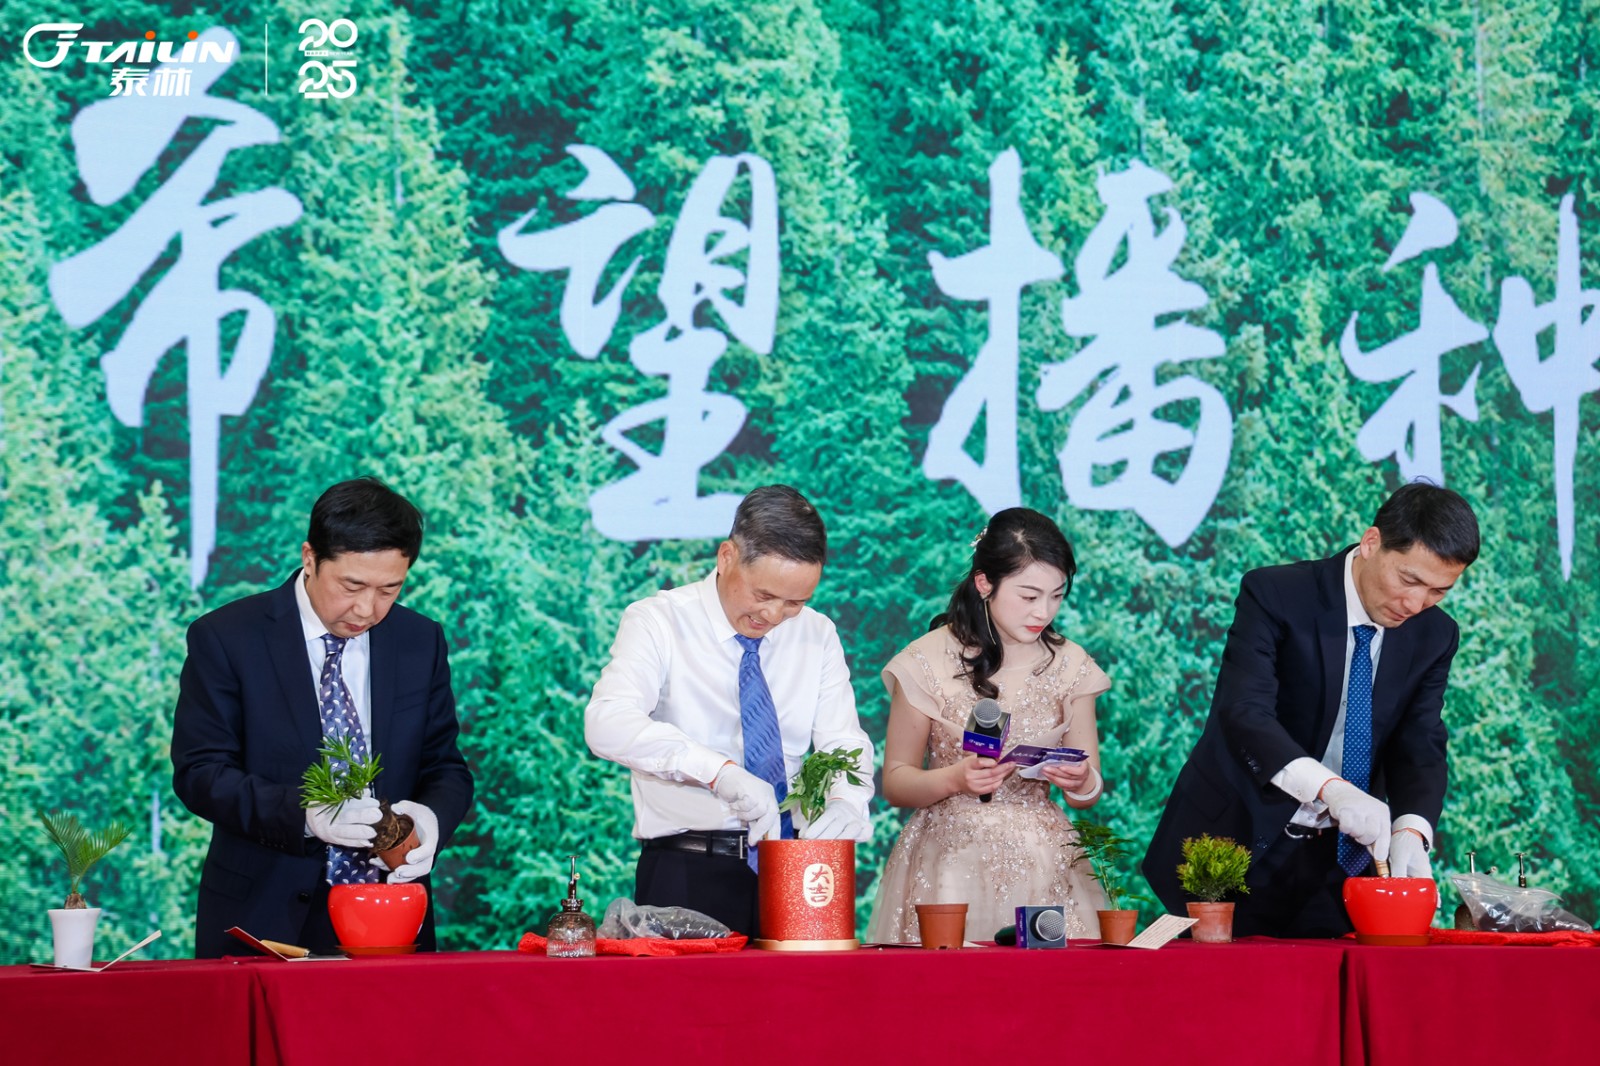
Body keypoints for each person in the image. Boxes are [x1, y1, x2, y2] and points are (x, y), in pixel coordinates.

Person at [1142, 482, 1480, 938]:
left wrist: (1411, 830)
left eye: (1439, 591)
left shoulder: (1435, 634)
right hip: (1237, 839)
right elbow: (1244, 711)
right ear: (1371, 542)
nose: (1416, 604)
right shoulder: (1277, 593)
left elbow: (1420, 741)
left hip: (1342, 863)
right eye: (1409, 580)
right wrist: (1331, 790)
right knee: (1213, 978)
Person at [171, 477, 474, 957]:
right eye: (352, 586)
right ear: (310, 558)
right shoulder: (228, 637)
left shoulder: (419, 640)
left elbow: (445, 766)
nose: (367, 609)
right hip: (263, 914)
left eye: (389, 589)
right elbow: (201, 773)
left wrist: (432, 819)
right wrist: (306, 816)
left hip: (391, 914)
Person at [585, 485, 874, 937]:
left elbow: (844, 740)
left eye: (795, 602)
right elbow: (608, 722)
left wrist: (845, 800)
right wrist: (719, 773)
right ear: (727, 557)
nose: (774, 615)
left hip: (797, 870)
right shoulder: (659, 620)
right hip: (688, 868)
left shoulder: (816, 634)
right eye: (763, 594)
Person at [865, 508, 1110, 944]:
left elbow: (1088, 791)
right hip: (948, 864)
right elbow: (896, 782)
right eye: (1029, 596)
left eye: (1056, 596)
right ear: (984, 583)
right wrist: (955, 779)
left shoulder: (1071, 664)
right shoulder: (924, 660)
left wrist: (1081, 780)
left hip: (1044, 862)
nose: (1044, 611)